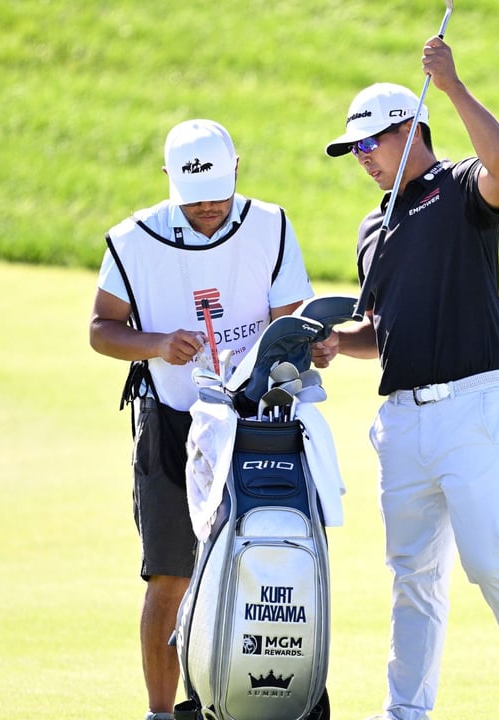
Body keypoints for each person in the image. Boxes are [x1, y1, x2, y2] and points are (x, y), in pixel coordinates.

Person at [322, 38, 499, 720]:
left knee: (491, 559)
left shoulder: (461, 187)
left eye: (372, 143)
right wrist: (335, 345)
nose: (365, 159)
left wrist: (454, 85)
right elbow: (381, 332)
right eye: (356, 151)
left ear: (412, 130)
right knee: (413, 579)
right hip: (403, 423)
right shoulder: (373, 226)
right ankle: (406, 711)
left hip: (474, 411)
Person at [89, 118, 334, 720]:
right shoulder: (132, 238)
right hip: (172, 420)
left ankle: (254, 699)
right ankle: (160, 712)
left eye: (217, 198)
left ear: (236, 173)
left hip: (255, 421)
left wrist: (315, 348)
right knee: (168, 577)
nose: (207, 211)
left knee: (263, 560)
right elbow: (101, 330)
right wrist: (154, 342)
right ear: (169, 182)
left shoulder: (271, 226)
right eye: (193, 200)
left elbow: (288, 325)